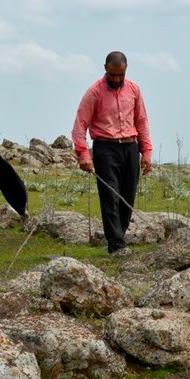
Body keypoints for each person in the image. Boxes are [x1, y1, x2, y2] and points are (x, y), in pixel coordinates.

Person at [72, 51, 153, 255]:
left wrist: (147, 152)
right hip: (105, 148)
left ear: (126, 70)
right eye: (112, 75)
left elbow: (141, 120)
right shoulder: (94, 92)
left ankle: (120, 236)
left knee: (127, 195)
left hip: (130, 147)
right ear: (105, 69)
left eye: (120, 75)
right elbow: (80, 125)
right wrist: (83, 154)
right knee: (110, 196)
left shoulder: (134, 90)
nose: (116, 79)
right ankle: (115, 244)